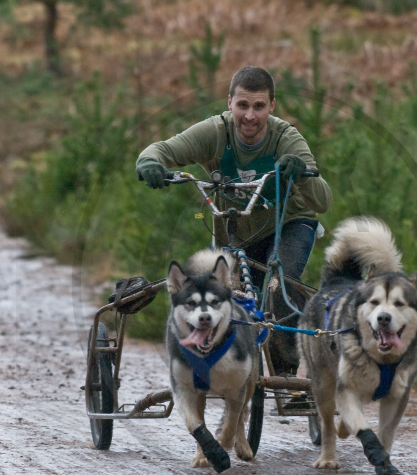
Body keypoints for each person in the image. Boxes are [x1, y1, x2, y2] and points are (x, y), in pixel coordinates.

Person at [136, 65, 333, 374]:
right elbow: (161, 149)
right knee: (227, 300)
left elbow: (323, 200)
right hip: (235, 230)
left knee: (277, 288)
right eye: (243, 105)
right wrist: (149, 162)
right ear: (230, 103)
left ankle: (292, 375)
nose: (250, 116)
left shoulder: (286, 139)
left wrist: (300, 175)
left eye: (259, 106)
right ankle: (227, 368)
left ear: (272, 105)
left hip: (289, 224)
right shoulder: (215, 133)